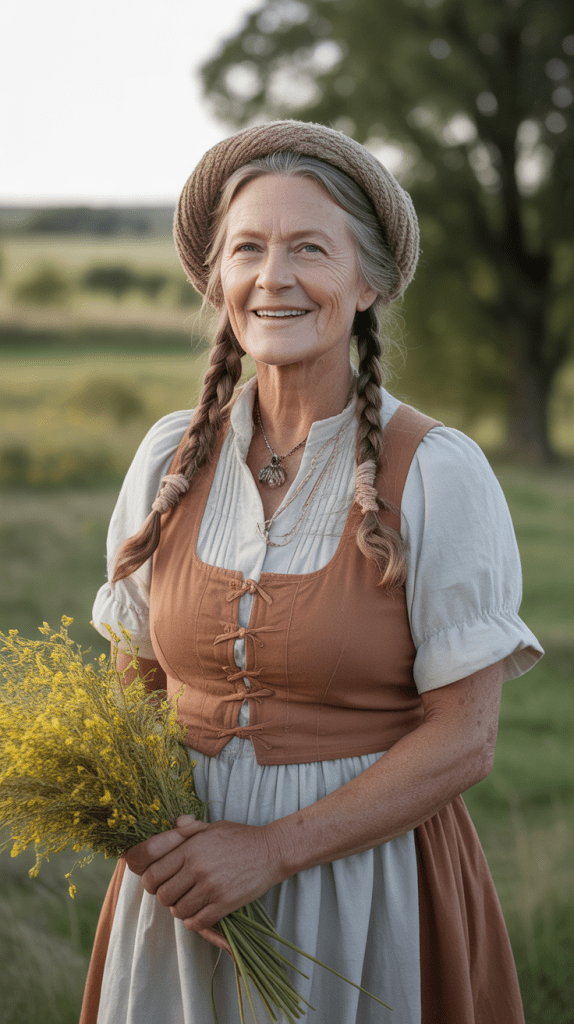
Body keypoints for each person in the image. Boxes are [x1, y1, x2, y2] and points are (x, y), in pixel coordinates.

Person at [82, 120, 543, 1024]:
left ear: (367, 282)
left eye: (309, 248)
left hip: (365, 892)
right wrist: (159, 842)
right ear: (217, 280)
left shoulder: (437, 473)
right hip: (187, 894)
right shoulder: (169, 458)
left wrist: (270, 851)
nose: (273, 276)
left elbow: (465, 740)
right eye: (248, 248)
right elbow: (134, 685)